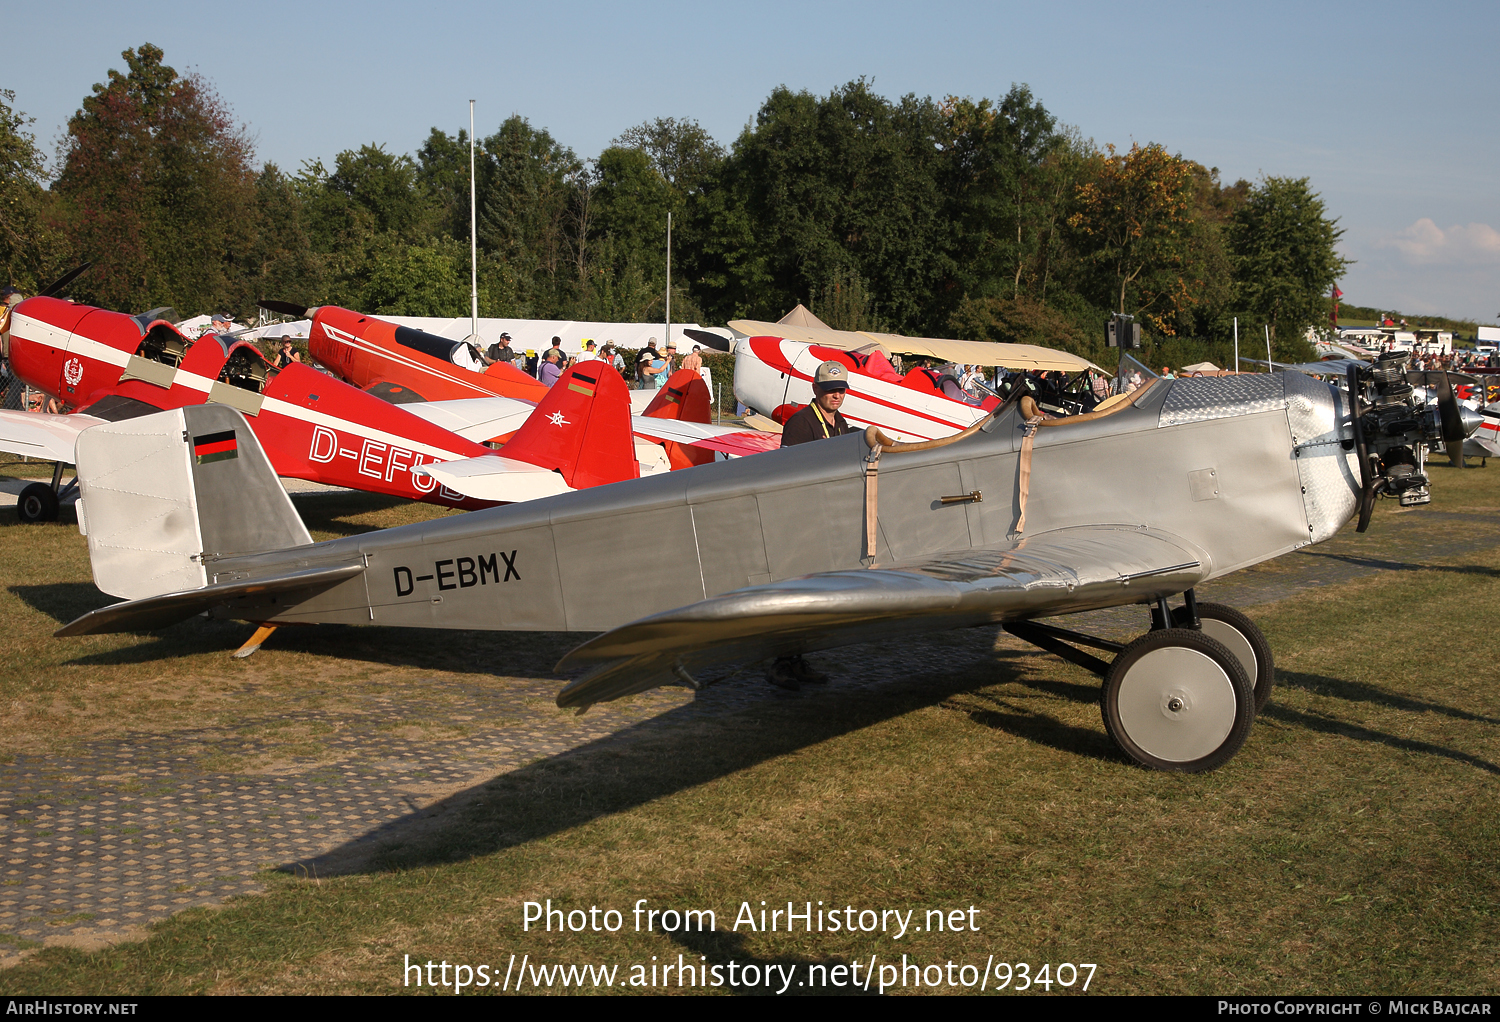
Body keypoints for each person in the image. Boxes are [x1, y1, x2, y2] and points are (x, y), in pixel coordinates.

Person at [780, 360, 854, 447]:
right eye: (830, 389)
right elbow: (787, 459)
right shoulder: (800, 423)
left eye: (841, 390)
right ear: (815, 388)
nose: (837, 396)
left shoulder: (841, 423)